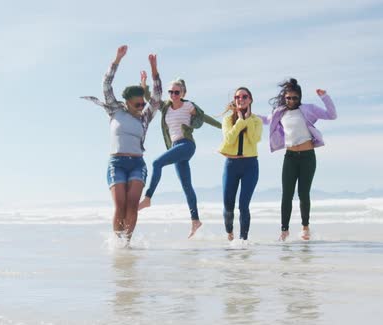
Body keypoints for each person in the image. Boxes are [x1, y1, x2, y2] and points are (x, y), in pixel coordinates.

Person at [81, 45, 161, 245]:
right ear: (127, 103)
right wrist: (117, 59)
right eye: (137, 105)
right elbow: (106, 84)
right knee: (120, 204)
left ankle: (126, 243)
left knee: (132, 205)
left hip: (137, 164)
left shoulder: (145, 118)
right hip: (116, 163)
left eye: (143, 104)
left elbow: (158, 97)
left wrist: (154, 70)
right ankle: (117, 243)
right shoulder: (115, 111)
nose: (142, 108)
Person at [138, 78, 221, 238]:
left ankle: (148, 198)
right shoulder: (165, 107)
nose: (173, 95)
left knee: (157, 163)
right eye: (171, 92)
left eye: (177, 92)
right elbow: (152, 99)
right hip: (175, 147)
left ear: (183, 93)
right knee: (187, 186)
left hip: (187, 145)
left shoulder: (189, 106)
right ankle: (195, 220)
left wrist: (224, 126)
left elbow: (205, 118)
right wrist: (144, 86)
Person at [261, 78, 337, 241]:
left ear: (299, 98)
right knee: (286, 194)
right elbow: (265, 120)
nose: (291, 101)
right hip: (290, 157)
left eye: (295, 98)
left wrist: (325, 97)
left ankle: (305, 228)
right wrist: (245, 113)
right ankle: (284, 230)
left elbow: (332, 115)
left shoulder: (309, 109)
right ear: (285, 98)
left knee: (304, 193)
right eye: (288, 98)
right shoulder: (279, 112)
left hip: (307, 157)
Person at [218, 87, 263, 242]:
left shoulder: (257, 120)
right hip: (231, 165)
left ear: (250, 100)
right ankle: (229, 235)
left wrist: (248, 120)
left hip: (250, 165)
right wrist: (239, 122)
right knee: (228, 206)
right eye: (238, 97)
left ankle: (243, 241)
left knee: (243, 205)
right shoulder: (227, 120)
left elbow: (254, 139)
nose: (241, 99)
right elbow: (229, 140)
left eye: (244, 96)